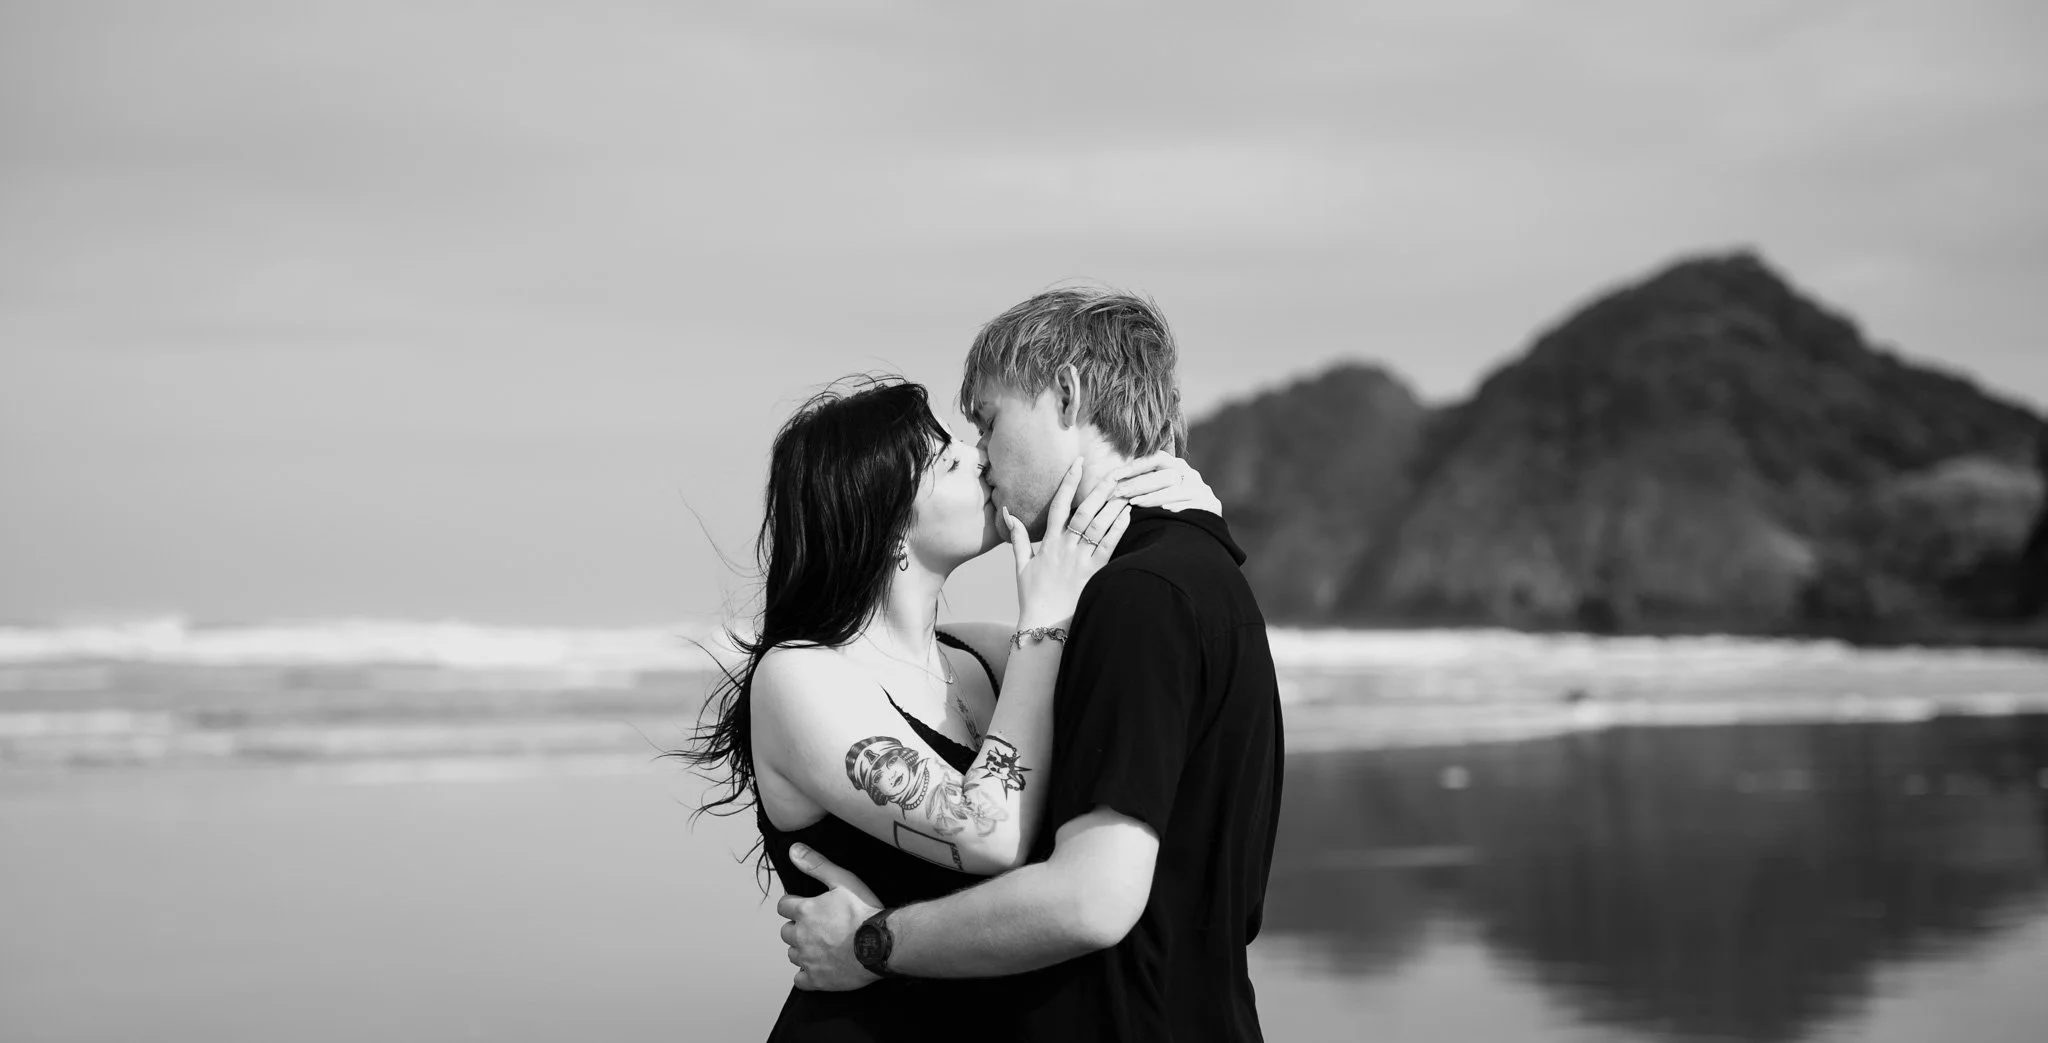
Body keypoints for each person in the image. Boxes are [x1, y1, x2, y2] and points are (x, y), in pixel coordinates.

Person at [780, 288, 1285, 1042]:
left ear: (1069, 395)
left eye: (986, 421)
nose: (980, 453)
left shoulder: (1133, 600)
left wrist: (870, 941)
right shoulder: (1157, 588)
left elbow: (1089, 899)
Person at [678, 375, 1223, 1041]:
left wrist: (1186, 512)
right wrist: (1043, 623)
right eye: (944, 456)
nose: (978, 455)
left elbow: (1153, 678)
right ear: (885, 527)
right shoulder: (798, 675)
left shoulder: (987, 658)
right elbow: (988, 834)